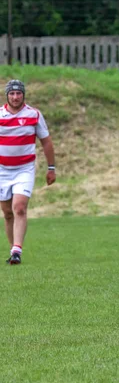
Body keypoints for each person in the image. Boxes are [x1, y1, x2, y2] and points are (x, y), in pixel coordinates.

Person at [1, 80, 56, 265]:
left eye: (18, 93)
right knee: (7, 212)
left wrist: (51, 168)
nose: (15, 97)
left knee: (19, 207)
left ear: (23, 95)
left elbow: (46, 141)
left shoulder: (34, 114)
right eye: (12, 94)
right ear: (6, 95)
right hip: (2, 171)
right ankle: (13, 250)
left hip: (24, 169)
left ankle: (17, 250)